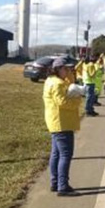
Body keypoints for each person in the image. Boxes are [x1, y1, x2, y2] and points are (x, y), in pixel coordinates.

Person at [43, 57, 83, 196]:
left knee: (56, 154)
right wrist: (78, 99)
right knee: (65, 154)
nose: (68, 71)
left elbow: (69, 83)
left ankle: (55, 183)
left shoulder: (52, 81)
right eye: (66, 69)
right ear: (58, 69)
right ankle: (62, 186)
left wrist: (71, 76)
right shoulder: (58, 84)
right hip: (62, 123)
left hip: (56, 122)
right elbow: (64, 102)